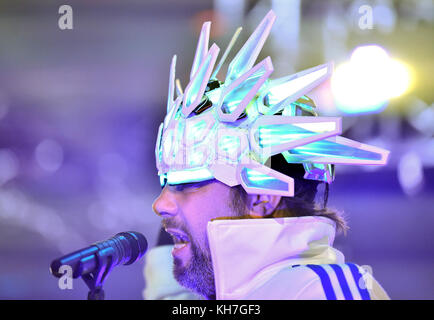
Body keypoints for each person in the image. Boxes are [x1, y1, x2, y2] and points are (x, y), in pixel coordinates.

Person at [145, 10, 390, 300]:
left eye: (189, 182)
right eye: (166, 181)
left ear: (261, 197)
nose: (160, 203)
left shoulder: (322, 292)